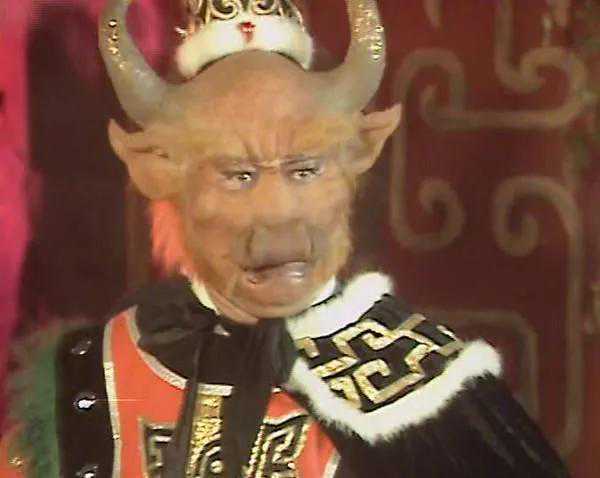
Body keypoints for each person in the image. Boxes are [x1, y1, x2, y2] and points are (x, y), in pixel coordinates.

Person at [0, 0, 569, 476]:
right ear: (157, 172)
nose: (278, 214)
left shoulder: (431, 392)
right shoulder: (94, 374)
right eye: (237, 175)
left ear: (357, 158)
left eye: (305, 170)